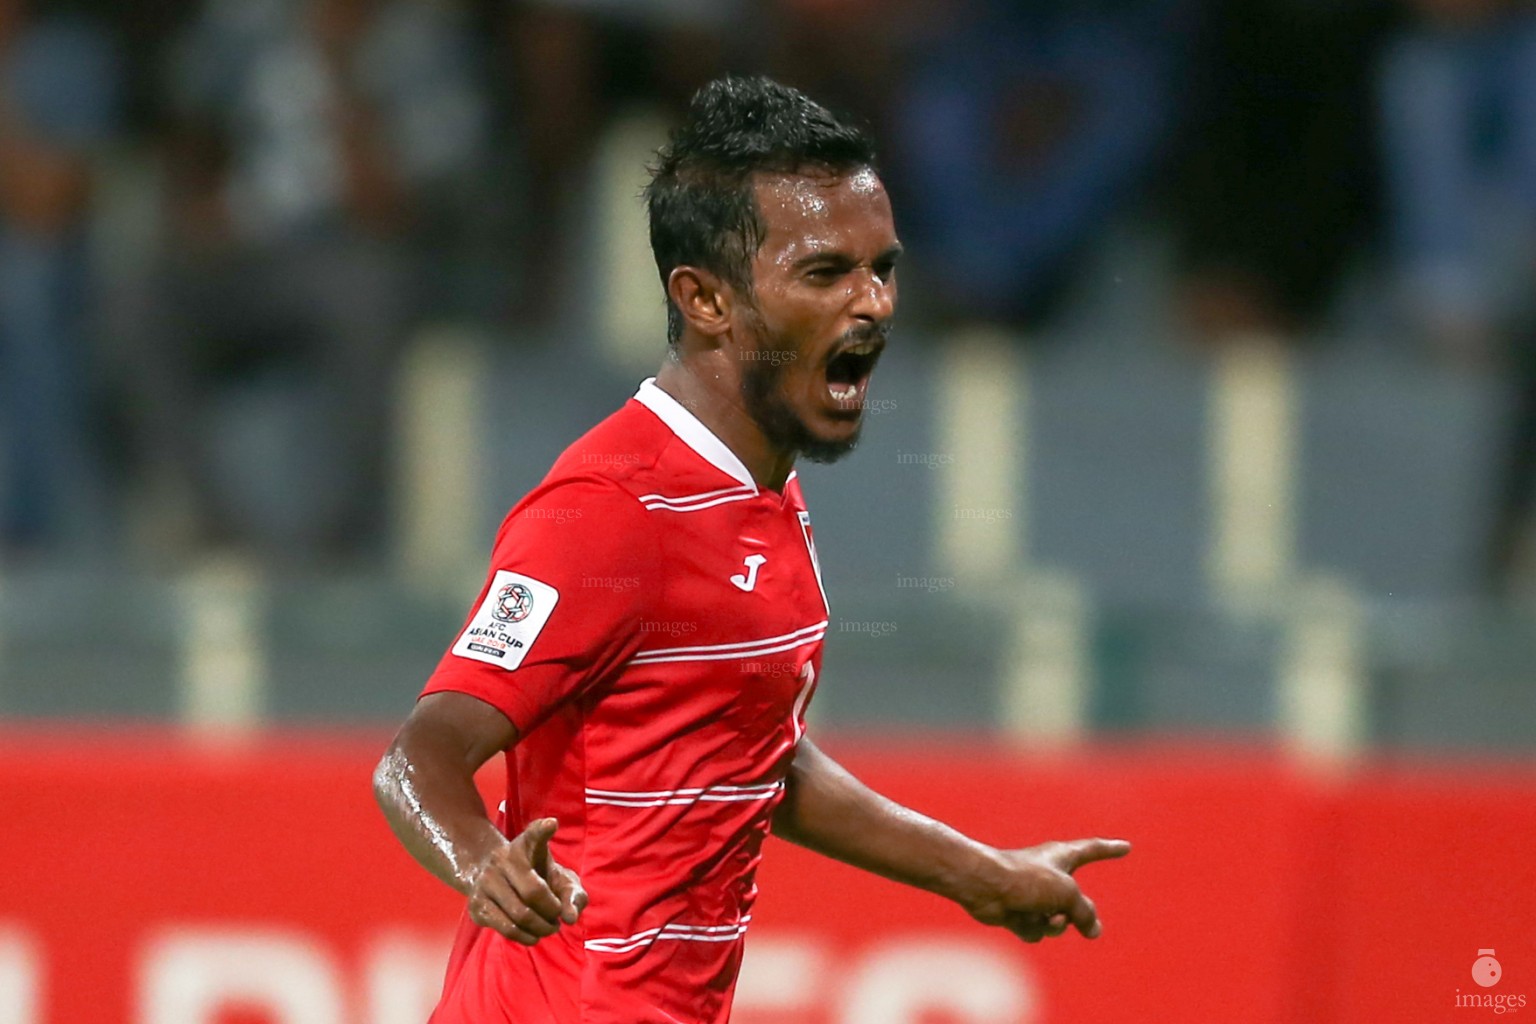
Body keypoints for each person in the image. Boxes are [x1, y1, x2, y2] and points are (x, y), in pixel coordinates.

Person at [373, 75, 1130, 1023]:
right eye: (826, 273)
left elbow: (749, 750)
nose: (875, 304)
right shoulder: (608, 510)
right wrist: (486, 863)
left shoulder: (759, 486)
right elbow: (421, 754)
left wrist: (982, 874)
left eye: (882, 267)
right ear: (706, 300)